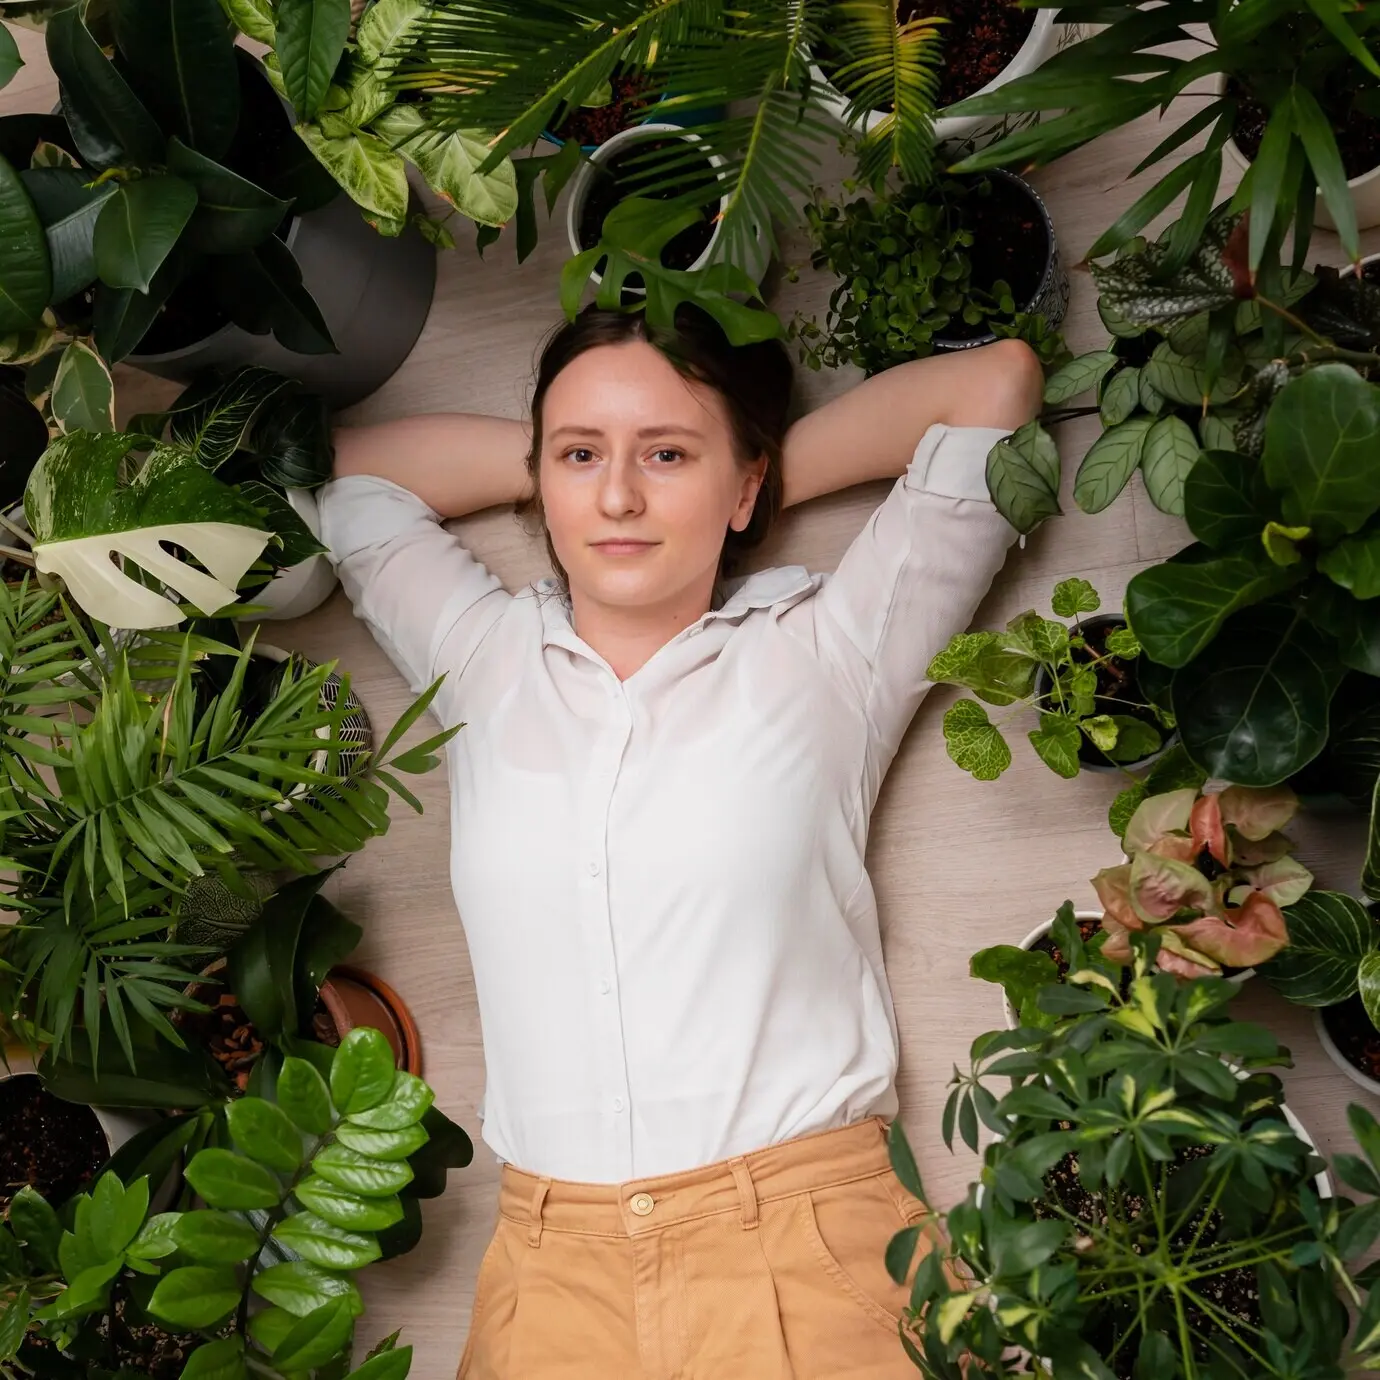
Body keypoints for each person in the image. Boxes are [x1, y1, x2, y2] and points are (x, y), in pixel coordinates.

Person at [319, 304, 1044, 1379]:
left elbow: (998, 384)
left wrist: (737, 473)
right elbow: (340, 473)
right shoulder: (483, 654)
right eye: (581, 456)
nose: (617, 495)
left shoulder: (830, 650)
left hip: (802, 1245)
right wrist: (587, 471)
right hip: (549, 1277)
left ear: (746, 484)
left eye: (665, 454)